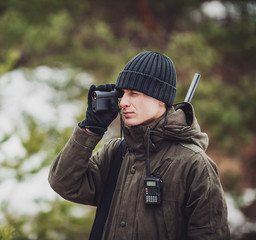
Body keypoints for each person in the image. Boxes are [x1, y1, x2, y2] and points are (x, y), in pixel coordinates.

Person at [48, 51, 230, 239]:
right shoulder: (117, 152)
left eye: (134, 93)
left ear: (161, 99)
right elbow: (64, 183)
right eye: (123, 94)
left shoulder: (195, 165)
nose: (124, 102)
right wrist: (91, 129)